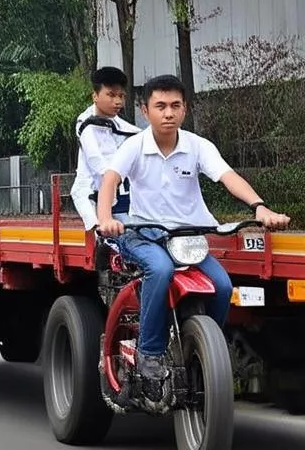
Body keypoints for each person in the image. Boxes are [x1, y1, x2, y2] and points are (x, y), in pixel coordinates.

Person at [97, 75, 290, 395]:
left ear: (185, 110)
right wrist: (106, 219)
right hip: (145, 233)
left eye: (175, 105)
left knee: (223, 285)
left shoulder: (198, 146)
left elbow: (228, 177)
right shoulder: (134, 146)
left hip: (188, 236)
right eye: (160, 106)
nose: (168, 113)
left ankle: (204, 349)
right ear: (145, 111)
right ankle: (150, 352)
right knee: (159, 270)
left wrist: (259, 207)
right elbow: (110, 180)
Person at [70, 66, 140, 230]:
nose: (118, 102)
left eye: (121, 96)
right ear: (95, 96)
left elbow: (136, 134)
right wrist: (113, 177)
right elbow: (95, 159)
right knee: (102, 234)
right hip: (91, 190)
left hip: (116, 191)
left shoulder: (118, 122)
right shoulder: (85, 123)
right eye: (111, 95)